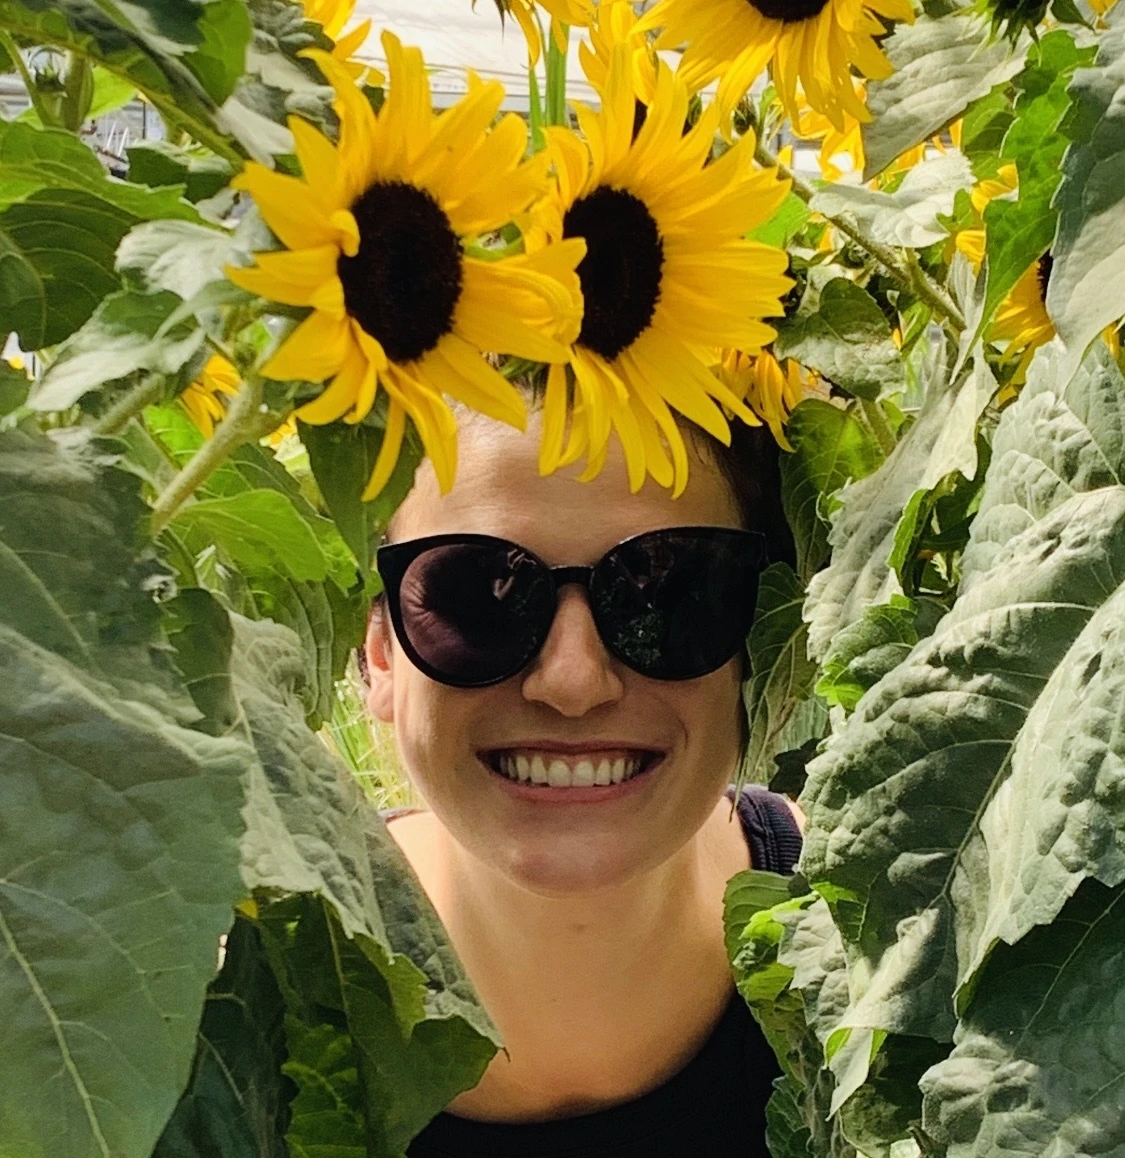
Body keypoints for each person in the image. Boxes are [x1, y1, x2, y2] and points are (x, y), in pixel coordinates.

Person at [361, 393, 803, 1157]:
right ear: (380, 659)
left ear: (759, 644)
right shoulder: (222, 1001)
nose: (572, 681)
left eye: (666, 591)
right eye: (479, 593)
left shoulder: (889, 948)